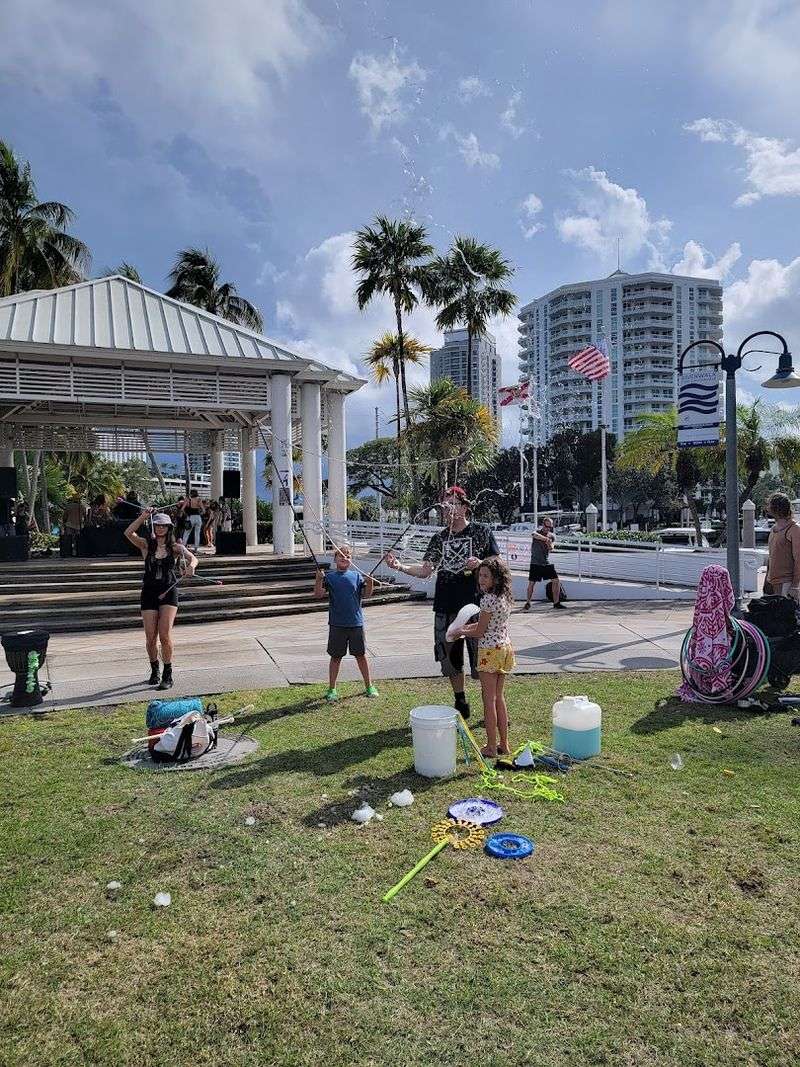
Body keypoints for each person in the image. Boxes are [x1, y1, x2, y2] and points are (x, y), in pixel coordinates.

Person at [385, 485, 499, 718]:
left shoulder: (481, 531)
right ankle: (460, 701)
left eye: (453, 502)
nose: (448, 507)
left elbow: (497, 561)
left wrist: (480, 563)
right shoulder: (439, 538)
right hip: (446, 605)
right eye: (445, 503)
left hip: (477, 606)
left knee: (483, 658)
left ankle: (492, 706)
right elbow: (426, 570)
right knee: (450, 659)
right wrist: (400, 566)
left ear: (465, 507)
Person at [125, 508, 197, 690]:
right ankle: (154, 669)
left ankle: (168, 673)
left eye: (164, 525)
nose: (160, 528)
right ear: (154, 526)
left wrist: (191, 567)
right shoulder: (145, 545)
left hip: (168, 591)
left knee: (164, 635)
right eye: (157, 525)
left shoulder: (175, 548)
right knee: (150, 638)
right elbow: (128, 533)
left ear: (169, 527)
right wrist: (143, 516)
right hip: (149, 592)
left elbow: (193, 558)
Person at [453, 556, 515, 757]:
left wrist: (459, 632)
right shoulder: (504, 596)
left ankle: (490, 747)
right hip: (504, 648)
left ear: (497, 578)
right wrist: (462, 628)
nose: (482, 579)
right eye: (480, 575)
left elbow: (480, 631)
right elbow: (487, 626)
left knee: (488, 700)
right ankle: (504, 744)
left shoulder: (487, 599)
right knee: (499, 698)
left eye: (486, 576)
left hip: (489, 652)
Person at [314, 544, 379, 701]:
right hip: (337, 625)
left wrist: (370, 582)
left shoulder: (357, 576)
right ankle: (332, 689)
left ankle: (369, 686)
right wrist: (317, 580)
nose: (344, 558)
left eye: (348, 556)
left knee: (361, 655)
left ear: (351, 561)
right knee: (336, 657)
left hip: (356, 624)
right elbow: (318, 594)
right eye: (341, 555)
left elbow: (368, 594)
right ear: (335, 559)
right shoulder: (329, 577)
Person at [523, 516, 564, 610]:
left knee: (556, 581)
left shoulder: (552, 536)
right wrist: (545, 539)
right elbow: (533, 535)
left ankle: (556, 603)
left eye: (550, 527)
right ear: (543, 525)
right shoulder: (537, 532)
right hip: (535, 562)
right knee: (531, 584)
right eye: (547, 526)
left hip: (545, 562)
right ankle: (528, 602)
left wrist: (549, 544)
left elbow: (552, 548)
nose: (548, 528)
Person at [765, 493, 800, 599]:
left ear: (776, 509)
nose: (767, 508)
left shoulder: (794, 529)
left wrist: (795, 586)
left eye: (769, 506)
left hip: (787, 583)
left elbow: (798, 559)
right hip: (772, 581)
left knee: (787, 614)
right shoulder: (774, 528)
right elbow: (771, 556)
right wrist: (767, 579)